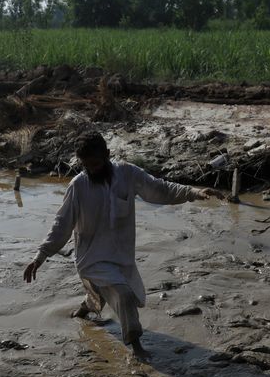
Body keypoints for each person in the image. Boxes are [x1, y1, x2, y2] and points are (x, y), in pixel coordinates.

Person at [24, 131, 223, 358]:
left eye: (97, 163)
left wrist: (194, 192)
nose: (93, 169)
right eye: (86, 165)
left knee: (105, 290)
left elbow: (159, 188)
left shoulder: (128, 174)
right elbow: (61, 224)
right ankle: (136, 346)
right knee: (124, 294)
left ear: (108, 155)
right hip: (92, 258)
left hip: (121, 255)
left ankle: (82, 311)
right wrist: (40, 256)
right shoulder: (78, 186)